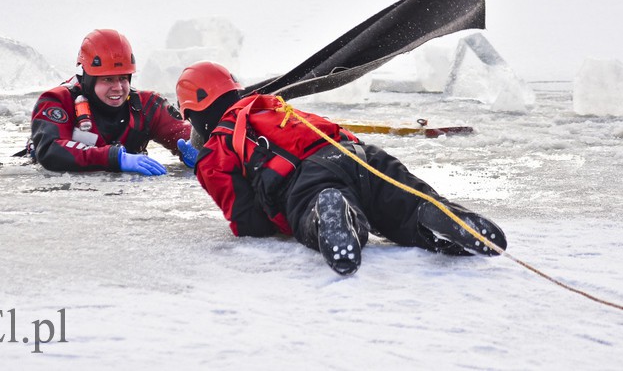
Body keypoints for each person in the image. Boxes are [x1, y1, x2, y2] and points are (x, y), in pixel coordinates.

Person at [175, 61, 507, 275]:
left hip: (308, 179)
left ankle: (329, 211)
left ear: (194, 114)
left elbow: (249, 223)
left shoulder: (218, 146)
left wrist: (205, 170)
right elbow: (336, 133)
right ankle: (435, 213)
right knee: (401, 200)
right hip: (359, 155)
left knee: (322, 210)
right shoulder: (272, 106)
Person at [30, 29, 198, 174]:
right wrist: (113, 158)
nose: (118, 87)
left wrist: (198, 147)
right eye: (108, 79)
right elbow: (49, 150)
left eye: (123, 78)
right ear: (89, 79)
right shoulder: (58, 101)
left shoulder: (147, 106)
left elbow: (184, 132)